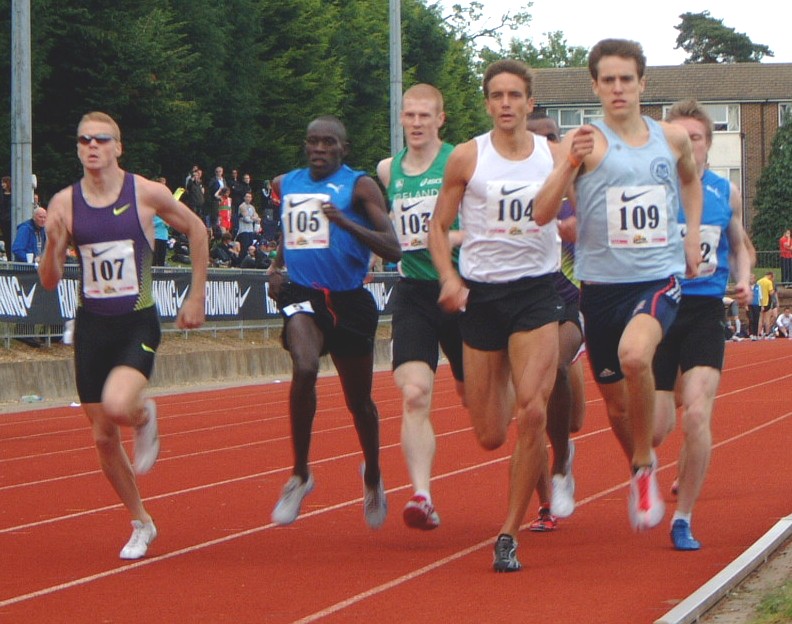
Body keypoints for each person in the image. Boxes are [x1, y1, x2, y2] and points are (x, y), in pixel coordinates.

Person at [534, 39, 702, 533]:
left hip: (657, 277)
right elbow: (542, 212)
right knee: (615, 402)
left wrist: (691, 235)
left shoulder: (670, 139)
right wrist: (568, 164)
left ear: (642, 83)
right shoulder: (580, 143)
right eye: (608, 80)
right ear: (595, 87)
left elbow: (690, 182)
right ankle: (638, 464)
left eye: (626, 78)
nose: (618, 88)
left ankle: (645, 465)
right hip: (600, 286)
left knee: (635, 356)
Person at [37, 111, 208, 559]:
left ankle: (143, 415)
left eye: (101, 139)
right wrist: (54, 244)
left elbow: (197, 229)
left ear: (118, 146)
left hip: (137, 320)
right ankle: (141, 521)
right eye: (84, 140)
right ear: (78, 148)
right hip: (92, 325)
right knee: (101, 437)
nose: (92, 146)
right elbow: (50, 279)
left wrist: (197, 295)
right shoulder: (64, 203)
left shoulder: (145, 192)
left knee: (117, 405)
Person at [428, 60, 563, 572]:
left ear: (530, 103)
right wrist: (448, 277)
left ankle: (509, 532)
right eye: (497, 95)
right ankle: (511, 378)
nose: (506, 103)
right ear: (487, 103)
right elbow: (439, 228)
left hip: (535, 293)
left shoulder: (551, 156)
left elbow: (574, 211)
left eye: (515, 95)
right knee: (489, 434)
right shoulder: (467, 157)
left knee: (533, 411)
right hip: (482, 296)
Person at [267, 115, 401, 530]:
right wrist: (275, 266)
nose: (318, 149)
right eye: (312, 142)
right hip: (304, 295)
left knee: (358, 401)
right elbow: (294, 233)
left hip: (350, 301)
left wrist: (345, 221)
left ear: (343, 147)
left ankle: (374, 475)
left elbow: (393, 248)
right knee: (304, 368)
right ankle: (300, 474)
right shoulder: (287, 182)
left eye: (327, 143)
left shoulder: (359, 186)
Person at [652, 100, 752, 551]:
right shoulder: (654, 189)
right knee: (654, 429)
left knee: (696, 412)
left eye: (694, 138)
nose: (686, 146)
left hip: (703, 311)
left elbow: (740, 242)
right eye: (678, 138)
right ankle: (653, 464)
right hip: (657, 309)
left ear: (708, 145)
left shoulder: (723, 192)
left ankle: (684, 517)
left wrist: (745, 280)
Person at [376, 83, 464, 531]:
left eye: (424, 116)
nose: (415, 123)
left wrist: (443, 238)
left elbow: (482, 224)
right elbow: (388, 227)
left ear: (440, 119)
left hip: (462, 290)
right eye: (409, 115)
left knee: (485, 410)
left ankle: (549, 465)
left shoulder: (460, 161)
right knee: (414, 394)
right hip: (414, 293)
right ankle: (422, 494)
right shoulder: (388, 170)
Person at [524, 112, 586, 532]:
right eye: (537, 140)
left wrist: (579, 228)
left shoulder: (577, 187)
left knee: (557, 370)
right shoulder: (508, 186)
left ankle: (562, 464)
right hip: (523, 300)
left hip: (572, 299)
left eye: (552, 138)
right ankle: (546, 502)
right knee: (530, 408)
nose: (545, 147)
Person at [756, 271, 775, 338]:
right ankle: (767, 333)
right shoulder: (769, 282)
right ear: (770, 275)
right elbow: (771, 293)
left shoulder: (758, 281)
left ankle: (757, 334)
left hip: (759, 302)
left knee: (760, 319)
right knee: (767, 319)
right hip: (766, 302)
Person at [1, 176, 12, 259]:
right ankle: (9, 257)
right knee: (6, 239)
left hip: (10, 219)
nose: (2, 184)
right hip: (4, 220)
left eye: (4, 182)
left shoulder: (14, 195)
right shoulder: (1, 194)